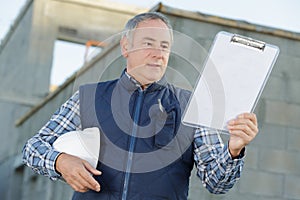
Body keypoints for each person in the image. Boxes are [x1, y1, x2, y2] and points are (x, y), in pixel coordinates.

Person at [22, 12, 258, 200]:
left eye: (164, 46)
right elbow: (33, 147)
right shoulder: (89, 97)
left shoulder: (191, 106)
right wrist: (60, 161)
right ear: (126, 47)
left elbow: (217, 183)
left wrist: (233, 150)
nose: (158, 54)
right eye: (149, 43)